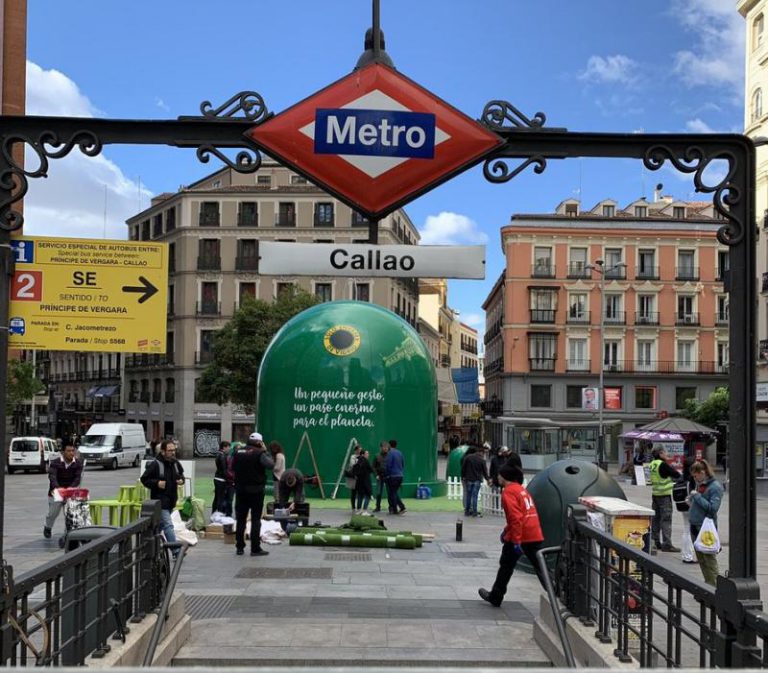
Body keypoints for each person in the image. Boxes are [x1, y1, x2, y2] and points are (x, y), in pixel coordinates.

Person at [479, 464, 546, 607]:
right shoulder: (521, 490)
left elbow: (515, 518)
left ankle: (496, 596)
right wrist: (506, 530)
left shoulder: (508, 492)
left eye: (499, 475)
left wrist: (515, 541)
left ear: (504, 477)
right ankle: (558, 594)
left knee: (506, 566)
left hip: (521, 535)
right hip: (534, 533)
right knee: (541, 568)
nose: (497, 477)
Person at [232, 432, 274, 557]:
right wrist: (265, 451)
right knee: (256, 519)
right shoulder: (259, 453)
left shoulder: (238, 452)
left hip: (240, 490)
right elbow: (270, 465)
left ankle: (239, 547)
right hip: (256, 490)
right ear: (260, 442)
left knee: (241, 519)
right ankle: (255, 548)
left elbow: (233, 467)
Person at [140, 440, 186, 555]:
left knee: (159, 526)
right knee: (168, 524)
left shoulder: (175, 463)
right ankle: (176, 551)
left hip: (171, 500)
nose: (173, 452)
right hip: (160, 501)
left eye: (174, 450)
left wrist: (181, 480)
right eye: (170, 450)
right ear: (163, 451)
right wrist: (156, 483)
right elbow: (144, 479)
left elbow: (181, 476)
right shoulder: (156, 464)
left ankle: (148, 545)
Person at [687, 459, 723, 586]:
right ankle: (708, 584)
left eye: (696, 475)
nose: (695, 478)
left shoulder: (715, 487)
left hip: (705, 528)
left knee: (709, 559)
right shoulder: (702, 485)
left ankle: (715, 586)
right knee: (701, 559)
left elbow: (713, 508)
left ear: (702, 472)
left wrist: (696, 497)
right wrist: (692, 500)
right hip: (695, 526)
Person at [43, 442, 84, 539]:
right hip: (56, 492)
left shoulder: (78, 463)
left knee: (69, 514)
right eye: (68, 451)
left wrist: (71, 488)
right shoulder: (55, 463)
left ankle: (67, 534)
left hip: (70, 492)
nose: (71, 453)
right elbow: (52, 477)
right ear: (63, 452)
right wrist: (58, 488)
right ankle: (48, 527)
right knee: (52, 514)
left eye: (73, 451)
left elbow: (77, 478)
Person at [649, 447, 682, 552]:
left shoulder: (652, 464)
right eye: (665, 452)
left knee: (656, 519)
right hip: (664, 496)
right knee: (666, 519)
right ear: (661, 453)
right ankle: (667, 544)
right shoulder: (663, 465)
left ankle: (655, 542)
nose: (667, 454)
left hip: (655, 495)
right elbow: (676, 474)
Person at [673, 456, 696, 563]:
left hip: (682, 505)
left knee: (686, 529)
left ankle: (686, 555)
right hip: (690, 506)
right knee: (690, 531)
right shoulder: (692, 478)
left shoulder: (682, 477)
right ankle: (688, 556)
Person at [461, 445, 489, 517]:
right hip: (477, 479)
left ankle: (467, 511)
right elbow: (484, 472)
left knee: (468, 495)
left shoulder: (468, 457)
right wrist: (488, 479)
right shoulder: (482, 460)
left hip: (468, 479)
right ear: (481, 453)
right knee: (475, 496)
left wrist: (463, 476)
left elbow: (463, 468)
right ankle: (474, 512)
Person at [385, 439, 406, 515]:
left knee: (392, 493)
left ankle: (396, 509)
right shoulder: (400, 453)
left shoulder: (390, 453)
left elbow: (388, 465)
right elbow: (403, 464)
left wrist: (387, 475)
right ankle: (401, 507)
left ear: (390, 445)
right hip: (400, 475)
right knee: (394, 492)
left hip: (392, 476)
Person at [212, 440, 231, 515]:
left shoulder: (218, 454)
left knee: (216, 498)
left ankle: (213, 513)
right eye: (228, 447)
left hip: (217, 478)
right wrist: (228, 479)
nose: (229, 449)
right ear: (224, 447)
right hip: (221, 479)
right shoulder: (222, 456)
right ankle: (219, 514)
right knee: (220, 498)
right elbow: (224, 469)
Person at [353, 449, 374, 513]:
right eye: (367, 454)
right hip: (366, 481)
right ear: (363, 454)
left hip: (359, 482)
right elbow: (371, 470)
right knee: (368, 495)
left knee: (360, 495)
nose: (368, 455)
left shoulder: (358, 461)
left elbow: (355, 471)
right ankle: (365, 510)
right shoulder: (366, 461)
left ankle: (359, 510)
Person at [372, 441, 389, 513]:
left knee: (390, 492)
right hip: (380, 477)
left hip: (388, 477)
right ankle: (377, 507)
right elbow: (373, 467)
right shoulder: (377, 456)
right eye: (384, 447)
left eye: (386, 447)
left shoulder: (390, 456)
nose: (385, 448)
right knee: (378, 492)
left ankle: (391, 507)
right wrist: (376, 475)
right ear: (381, 448)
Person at [345, 445, 362, 511]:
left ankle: (359, 507)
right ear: (356, 450)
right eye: (359, 449)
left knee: (360, 493)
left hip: (360, 477)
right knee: (353, 492)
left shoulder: (362, 457)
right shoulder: (353, 456)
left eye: (360, 449)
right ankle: (353, 507)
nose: (360, 451)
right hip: (353, 477)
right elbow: (352, 465)